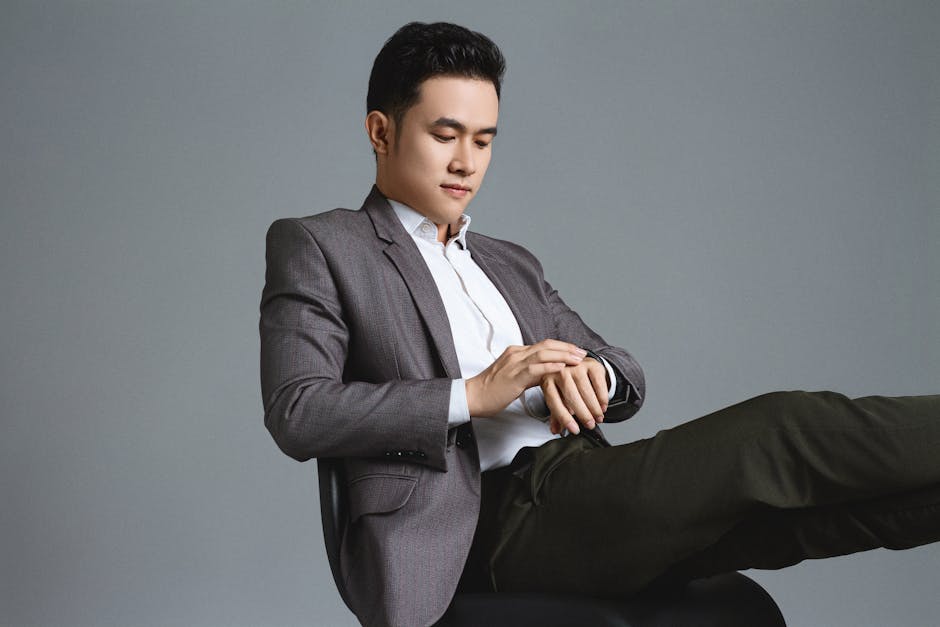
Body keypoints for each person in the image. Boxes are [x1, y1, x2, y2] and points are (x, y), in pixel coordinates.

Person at [259, 21, 940, 627]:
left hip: (585, 485)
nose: (467, 162)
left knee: (806, 518)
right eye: (445, 135)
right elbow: (299, 409)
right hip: (487, 522)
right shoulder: (323, 244)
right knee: (781, 431)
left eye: (484, 140)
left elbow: (624, 368)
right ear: (381, 130)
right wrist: (474, 393)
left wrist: (597, 372)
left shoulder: (508, 262)